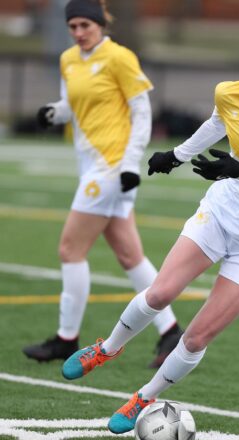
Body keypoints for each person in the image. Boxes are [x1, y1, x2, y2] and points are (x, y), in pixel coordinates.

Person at [61, 9, 239, 435]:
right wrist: (177, 155)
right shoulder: (229, 92)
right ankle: (107, 349)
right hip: (224, 208)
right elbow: (219, 122)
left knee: (198, 336)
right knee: (160, 292)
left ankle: (142, 398)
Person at [23, 0, 183, 369]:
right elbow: (73, 104)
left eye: (85, 25)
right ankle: (170, 331)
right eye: (73, 26)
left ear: (100, 23)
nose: (79, 33)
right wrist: (54, 112)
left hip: (111, 168)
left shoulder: (119, 57)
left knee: (69, 249)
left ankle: (66, 338)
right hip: (92, 166)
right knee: (130, 256)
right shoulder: (68, 59)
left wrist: (130, 164)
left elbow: (142, 112)